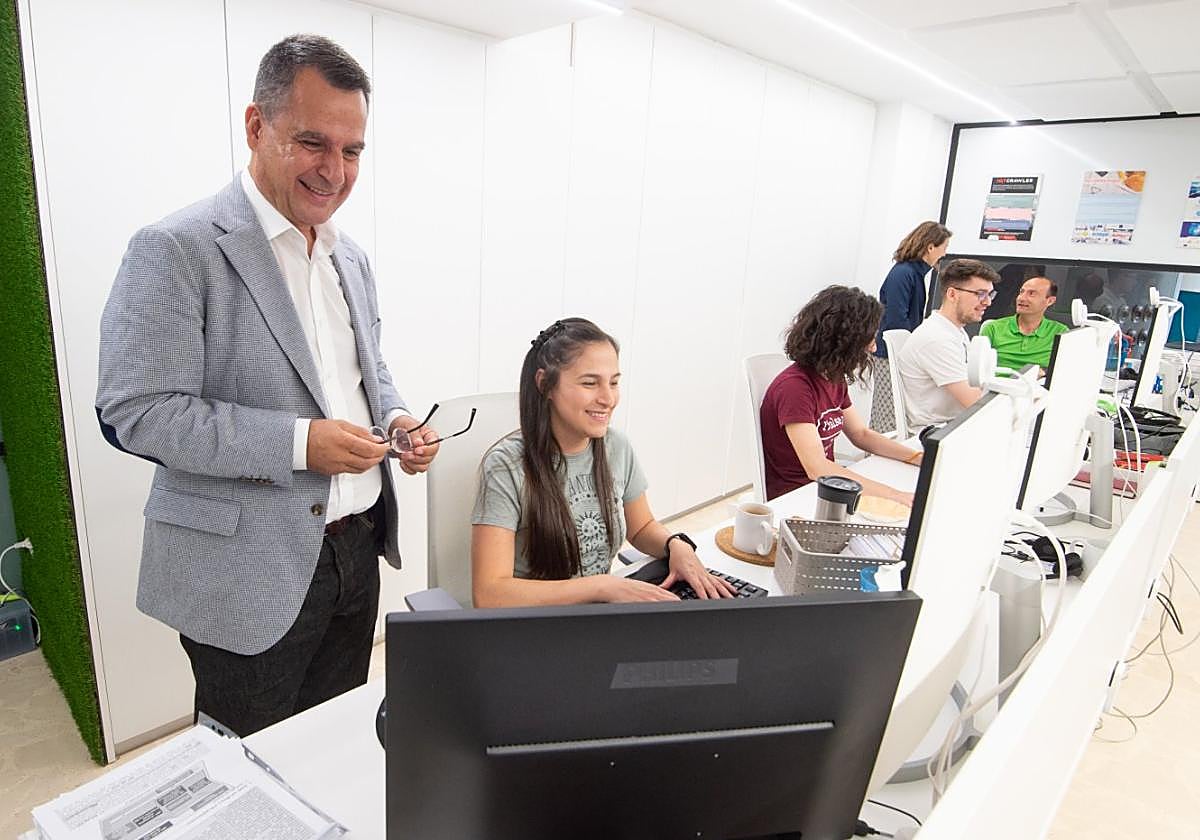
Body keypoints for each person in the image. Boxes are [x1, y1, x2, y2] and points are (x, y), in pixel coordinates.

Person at [95, 35, 439, 736]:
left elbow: (363, 371)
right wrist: (298, 444)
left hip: (357, 545)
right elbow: (134, 412)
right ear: (256, 126)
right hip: (243, 569)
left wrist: (398, 417)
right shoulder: (176, 248)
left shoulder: (353, 257)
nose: (335, 171)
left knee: (333, 739)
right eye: (313, 142)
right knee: (245, 766)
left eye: (352, 151)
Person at [471, 318, 736, 607]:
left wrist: (676, 545)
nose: (608, 399)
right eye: (590, 383)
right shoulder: (505, 467)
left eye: (614, 382)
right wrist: (599, 587)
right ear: (545, 384)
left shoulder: (616, 446)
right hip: (533, 630)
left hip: (599, 617)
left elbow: (641, 526)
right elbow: (489, 594)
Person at [760, 286, 922, 504]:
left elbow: (861, 435)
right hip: (798, 497)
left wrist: (917, 458)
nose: (873, 348)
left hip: (826, 489)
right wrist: (895, 496)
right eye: (869, 339)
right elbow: (817, 468)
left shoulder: (832, 377)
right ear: (844, 341)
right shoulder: (794, 389)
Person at [897, 259, 1000, 430]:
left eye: (990, 295)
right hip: (938, 431)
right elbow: (975, 402)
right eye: (981, 294)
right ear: (952, 294)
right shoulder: (936, 339)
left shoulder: (954, 331)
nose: (988, 302)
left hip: (952, 424)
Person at [870, 221, 952, 431]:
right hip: (890, 355)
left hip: (900, 354)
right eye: (944, 247)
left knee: (896, 413)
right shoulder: (904, 274)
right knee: (888, 415)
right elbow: (897, 320)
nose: (944, 254)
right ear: (930, 247)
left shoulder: (913, 274)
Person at [980, 276, 1069, 371]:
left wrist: (1044, 373)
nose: (1021, 298)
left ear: (1050, 301)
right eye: (1021, 292)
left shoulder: (1061, 332)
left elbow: (1066, 370)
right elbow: (978, 369)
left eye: (1031, 294)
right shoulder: (993, 328)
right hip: (997, 384)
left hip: (1038, 384)